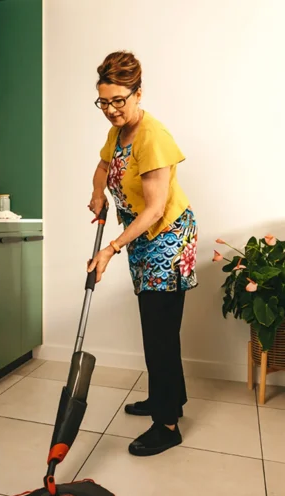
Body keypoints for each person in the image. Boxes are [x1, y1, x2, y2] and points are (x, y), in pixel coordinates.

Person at [86, 51, 198, 457]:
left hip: (167, 239)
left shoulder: (153, 136)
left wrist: (112, 249)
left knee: (160, 332)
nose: (112, 110)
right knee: (155, 327)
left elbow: (154, 208)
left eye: (119, 100)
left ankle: (167, 425)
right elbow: (103, 165)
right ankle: (167, 399)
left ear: (138, 93)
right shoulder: (119, 132)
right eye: (104, 102)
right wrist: (98, 194)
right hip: (142, 239)